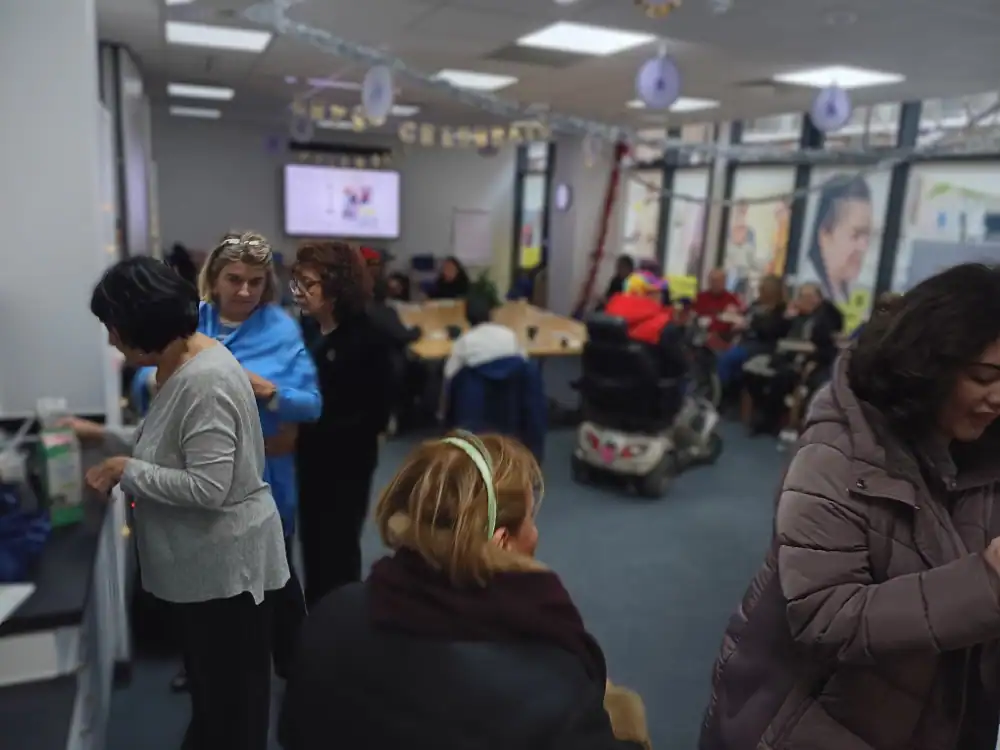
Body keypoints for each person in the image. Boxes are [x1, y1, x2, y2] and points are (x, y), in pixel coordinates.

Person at [700, 263, 1000, 750]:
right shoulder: (835, 456)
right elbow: (826, 617)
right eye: (983, 377)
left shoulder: (979, 451)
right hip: (810, 723)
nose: (998, 397)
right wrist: (985, 585)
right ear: (932, 364)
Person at [279, 432, 651, 750]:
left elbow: (292, 733)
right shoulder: (554, 686)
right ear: (501, 542)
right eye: (530, 519)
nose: (536, 533)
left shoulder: (329, 618)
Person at [67, 257, 288, 750]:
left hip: (225, 575)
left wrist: (126, 470)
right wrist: (103, 437)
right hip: (207, 571)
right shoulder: (183, 362)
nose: (111, 340)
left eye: (114, 328)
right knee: (216, 706)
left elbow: (209, 487)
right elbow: (170, 443)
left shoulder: (204, 381)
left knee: (230, 716)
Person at [141, 231, 317, 691]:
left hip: (264, 476)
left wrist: (270, 392)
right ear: (213, 279)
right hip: (195, 470)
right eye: (234, 279)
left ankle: (285, 664)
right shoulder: (189, 321)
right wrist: (160, 381)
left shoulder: (281, 328)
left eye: (255, 282)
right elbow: (145, 372)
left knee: (271, 577)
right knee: (198, 575)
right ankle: (199, 664)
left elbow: (311, 403)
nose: (244, 291)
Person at [291, 240, 394, 607]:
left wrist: (306, 423)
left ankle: (338, 625)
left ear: (337, 285)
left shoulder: (370, 338)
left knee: (338, 551)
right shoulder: (308, 330)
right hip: (307, 458)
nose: (299, 292)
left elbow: (374, 416)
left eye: (308, 284)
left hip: (345, 463)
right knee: (312, 548)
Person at [741, 282, 843, 434]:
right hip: (782, 354)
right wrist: (785, 317)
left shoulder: (824, 318)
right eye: (801, 296)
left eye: (807, 297)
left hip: (804, 361)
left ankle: (769, 421)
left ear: (817, 299)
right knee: (750, 371)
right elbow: (773, 332)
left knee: (780, 378)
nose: (802, 300)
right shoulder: (794, 315)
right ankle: (763, 411)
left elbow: (824, 346)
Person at [805, 174, 873, 304]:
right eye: (856, 235)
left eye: (867, 235)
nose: (863, 247)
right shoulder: (807, 291)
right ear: (825, 235)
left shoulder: (848, 290)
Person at [605, 270, 686, 378]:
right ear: (649, 295)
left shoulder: (605, 319)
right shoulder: (664, 327)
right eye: (658, 292)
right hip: (648, 386)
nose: (662, 297)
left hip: (604, 384)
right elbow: (680, 366)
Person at [715, 274, 788, 391]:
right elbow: (745, 317)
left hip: (763, 344)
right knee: (717, 354)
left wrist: (751, 323)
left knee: (729, 358)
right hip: (745, 340)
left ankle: (725, 391)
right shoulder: (756, 305)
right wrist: (736, 317)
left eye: (763, 289)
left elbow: (770, 331)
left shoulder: (780, 311)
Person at [443, 294, 524, 382]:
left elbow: (450, 373)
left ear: (467, 318)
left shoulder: (465, 341)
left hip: (477, 388)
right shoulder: (509, 334)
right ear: (491, 314)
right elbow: (523, 361)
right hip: (510, 387)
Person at [693, 267, 742, 344]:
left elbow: (738, 319)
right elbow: (693, 314)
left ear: (724, 282)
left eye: (718, 281)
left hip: (723, 337)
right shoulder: (700, 297)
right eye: (712, 281)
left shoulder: (732, 299)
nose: (715, 284)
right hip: (701, 333)